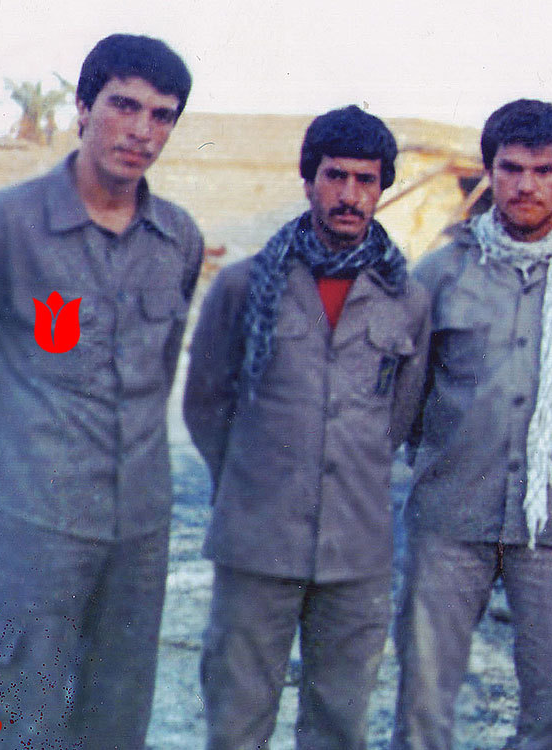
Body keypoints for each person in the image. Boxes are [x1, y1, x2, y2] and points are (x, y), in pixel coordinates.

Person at [0, 34, 200, 748]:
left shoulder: (177, 239)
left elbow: (160, 369)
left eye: (162, 115)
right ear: (82, 106)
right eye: (123, 105)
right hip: (35, 525)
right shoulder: (7, 225)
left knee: (115, 718)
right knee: (16, 717)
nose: (141, 130)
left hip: (139, 531)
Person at [391, 98, 552, 750]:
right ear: (490, 171)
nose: (527, 185)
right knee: (423, 704)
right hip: (450, 521)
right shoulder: (440, 272)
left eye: (544, 170)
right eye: (512, 168)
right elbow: (408, 401)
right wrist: (448, 459)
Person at [183, 105, 430, 750]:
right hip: (256, 544)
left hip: (357, 551)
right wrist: (251, 481)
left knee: (339, 725)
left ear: (383, 188)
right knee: (237, 720)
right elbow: (206, 403)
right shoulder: (244, 285)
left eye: (366, 180)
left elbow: (399, 415)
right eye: (334, 176)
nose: (350, 194)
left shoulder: (407, 298)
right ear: (308, 180)